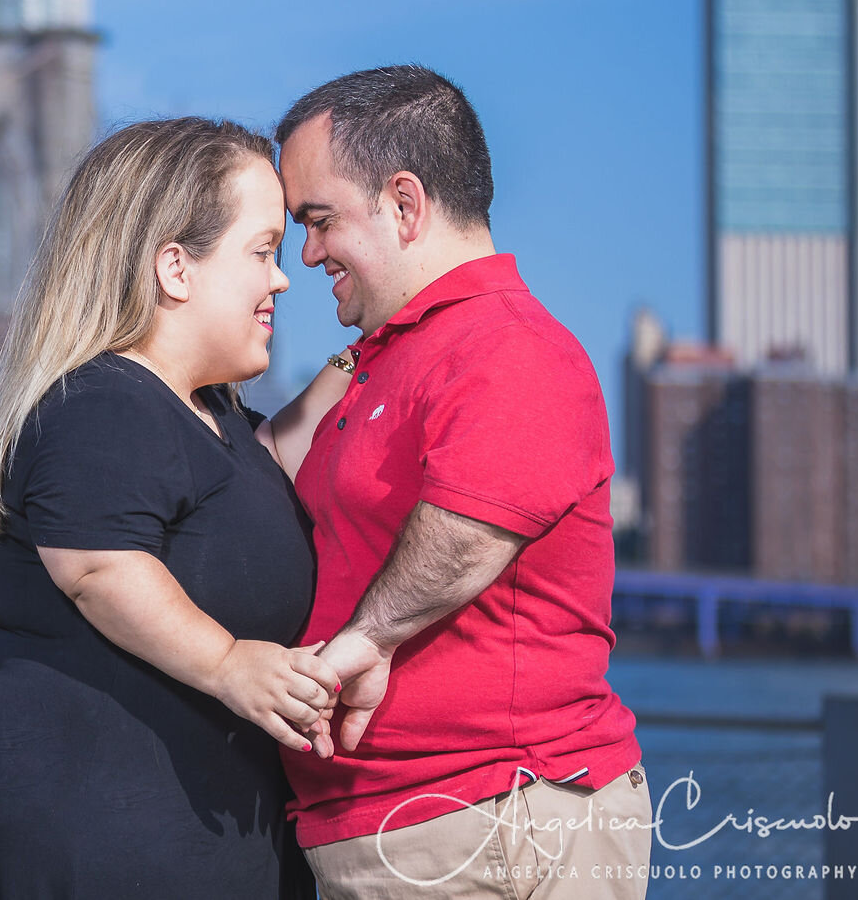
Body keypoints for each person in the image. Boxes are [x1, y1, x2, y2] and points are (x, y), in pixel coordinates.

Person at [0, 117, 346, 900]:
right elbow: (97, 565)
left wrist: (377, 343)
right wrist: (226, 663)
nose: (284, 280)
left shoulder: (210, 416)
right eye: (262, 252)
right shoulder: (100, 402)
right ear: (175, 267)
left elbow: (278, 454)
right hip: (83, 820)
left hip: (170, 824)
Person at [270, 66, 650, 898]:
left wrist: (363, 643)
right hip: (400, 831)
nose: (305, 254)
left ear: (405, 204)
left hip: (487, 822)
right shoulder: (385, 357)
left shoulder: (510, 348)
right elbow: (262, 465)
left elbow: (466, 531)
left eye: (319, 220)